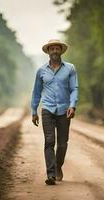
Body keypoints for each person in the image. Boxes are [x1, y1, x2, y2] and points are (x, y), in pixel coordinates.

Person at [30, 39, 79, 185]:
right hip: (47, 110)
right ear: (48, 52)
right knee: (49, 141)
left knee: (62, 143)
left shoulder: (70, 69)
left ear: (61, 51)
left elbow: (74, 88)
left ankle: (58, 166)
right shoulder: (41, 71)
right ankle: (51, 174)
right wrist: (34, 110)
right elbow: (36, 92)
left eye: (57, 49)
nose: (55, 51)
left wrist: (73, 105)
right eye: (52, 49)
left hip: (65, 110)